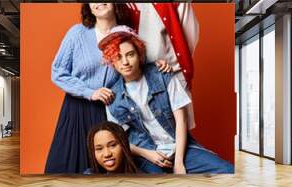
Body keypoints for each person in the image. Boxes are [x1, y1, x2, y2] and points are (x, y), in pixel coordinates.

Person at [99, 26, 234, 174]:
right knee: (160, 185)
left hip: (180, 146)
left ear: (139, 53)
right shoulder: (113, 96)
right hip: (145, 153)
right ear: (112, 61)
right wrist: (148, 154)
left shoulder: (163, 75)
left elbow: (181, 121)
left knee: (226, 170)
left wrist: (179, 163)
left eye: (130, 54)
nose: (125, 62)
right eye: (118, 57)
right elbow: (119, 140)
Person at [44, 3, 133, 173]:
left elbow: (136, 67)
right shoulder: (77, 33)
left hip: (108, 111)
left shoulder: (125, 34)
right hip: (76, 109)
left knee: (105, 168)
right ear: (89, 8)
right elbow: (58, 72)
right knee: (67, 166)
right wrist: (90, 92)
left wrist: (159, 63)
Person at [127, 3, 199, 129]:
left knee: (180, 134)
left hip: (173, 74)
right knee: (148, 134)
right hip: (139, 78)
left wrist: (179, 68)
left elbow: (190, 36)